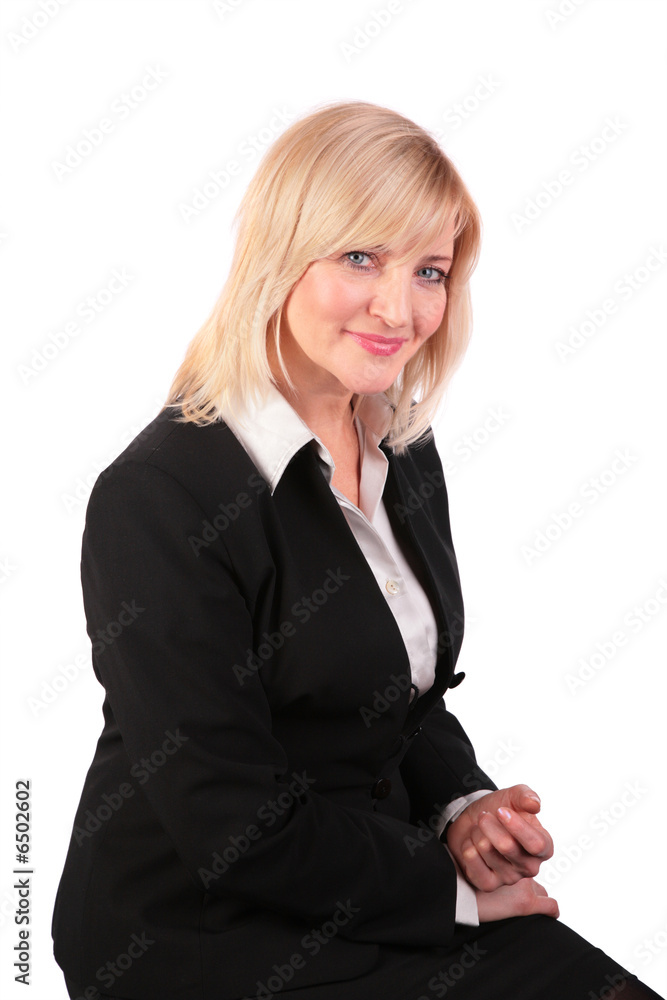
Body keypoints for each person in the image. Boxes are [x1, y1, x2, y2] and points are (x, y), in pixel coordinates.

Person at [51, 100, 664, 1000]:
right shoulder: (159, 496)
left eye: (429, 271)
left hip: (367, 886)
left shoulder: (400, 451)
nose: (399, 309)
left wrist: (462, 808)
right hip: (197, 934)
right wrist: (446, 891)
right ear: (279, 254)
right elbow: (227, 822)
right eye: (360, 258)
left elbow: (391, 696)